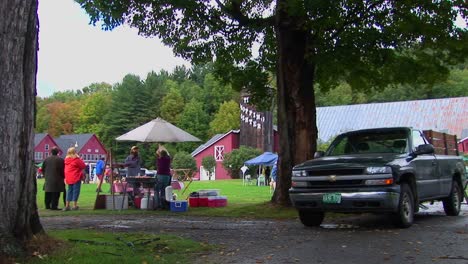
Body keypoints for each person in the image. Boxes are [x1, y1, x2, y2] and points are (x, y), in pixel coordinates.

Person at [63, 147, 86, 211]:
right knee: (76, 191)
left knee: (69, 191)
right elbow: (83, 166)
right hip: (76, 176)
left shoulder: (66, 160)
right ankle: (74, 205)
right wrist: (80, 159)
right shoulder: (76, 159)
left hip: (68, 177)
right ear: (75, 152)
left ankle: (67, 205)